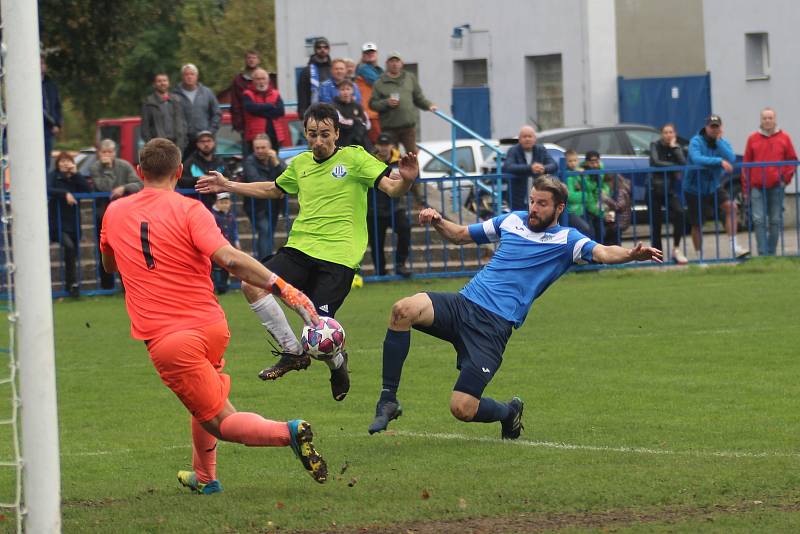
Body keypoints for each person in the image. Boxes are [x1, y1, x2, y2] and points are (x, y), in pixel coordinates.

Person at [100, 138, 327, 494]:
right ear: (178, 172)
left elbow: (109, 264)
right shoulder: (191, 210)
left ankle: (290, 431)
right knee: (204, 400)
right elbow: (231, 259)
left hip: (170, 339)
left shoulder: (114, 212)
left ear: (140, 172)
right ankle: (206, 478)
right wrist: (284, 288)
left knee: (222, 422)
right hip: (211, 326)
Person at [367, 176, 662, 437]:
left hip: (492, 328)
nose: (534, 208)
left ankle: (509, 413)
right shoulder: (511, 221)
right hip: (463, 304)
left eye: (542, 204)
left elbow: (604, 252)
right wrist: (437, 220)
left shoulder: (567, 240)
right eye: (532, 201)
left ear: (559, 208)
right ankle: (388, 399)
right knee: (402, 309)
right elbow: (460, 235)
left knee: (462, 408)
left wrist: (630, 255)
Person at [195, 103, 420, 402]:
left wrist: (406, 179)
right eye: (312, 134)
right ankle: (291, 352)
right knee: (250, 284)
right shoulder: (300, 164)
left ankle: (338, 365)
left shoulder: (354, 158)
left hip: (338, 258)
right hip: (300, 249)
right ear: (305, 134)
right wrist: (228, 185)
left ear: (337, 133)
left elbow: (392, 189)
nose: (318, 141)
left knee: (318, 332)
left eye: (325, 134)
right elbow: (273, 189)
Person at [686, 115, 749, 258]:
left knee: (731, 207)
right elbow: (697, 159)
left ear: (721, 128)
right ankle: (699, 256)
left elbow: (731, 157)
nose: (714, 129)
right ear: (706, 127)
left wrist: (719, 141)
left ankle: (734, 246)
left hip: (713, 186)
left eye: (717, 126)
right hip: (694, 188)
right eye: (711, 126)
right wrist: (719, 161)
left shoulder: (721, 141)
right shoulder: (696, 141)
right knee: (697, 224)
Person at [742, 108, 797, 256]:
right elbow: (746, 164)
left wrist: (785, 179)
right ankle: (762, 253)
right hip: (756, 186)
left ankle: (771, 253)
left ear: (775, 119)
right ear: (760, 120)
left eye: (770, 118)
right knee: (758, 220)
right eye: (764, 118)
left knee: (775, 220)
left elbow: (792, 160)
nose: (767, 121)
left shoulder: (784, 138)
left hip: (776, 186)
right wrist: (746, 188)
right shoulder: (752, 139)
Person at [89, 139, 144, 289]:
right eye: (104, 152)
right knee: (105, 249)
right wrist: (107, 169)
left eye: (110, 152)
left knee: (127, 249)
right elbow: (104, 187)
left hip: (124, 214)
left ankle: (128, 286)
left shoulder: (124, 165)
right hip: (103, 213)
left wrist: (124, 188)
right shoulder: (95, 167)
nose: (107, 155)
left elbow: (139, 183)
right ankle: (107, 287)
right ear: (99, 153)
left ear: (115, 152)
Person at [369, 51, 437, 156]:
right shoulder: (380, 82)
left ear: (402, 63)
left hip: (408, 126)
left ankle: (414, 173)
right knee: (392, 156)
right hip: (389, 128)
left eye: (397, 61)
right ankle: (394, 173)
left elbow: (418, 97)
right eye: (392, 61)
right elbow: (372, 104)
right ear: (387, 64)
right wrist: (386, 102)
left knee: (412, 155)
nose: (394, 64)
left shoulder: (409, 78)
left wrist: (429, 105)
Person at [47, 152, 92, 298]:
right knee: (69, 247)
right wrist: (65, 193)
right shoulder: (53, 175)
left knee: (74, 252)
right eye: (63, 161)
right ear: (58, 163)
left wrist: (76, 173)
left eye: (68, 161)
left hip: (73, 222)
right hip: (57, 223)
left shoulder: (75, 177)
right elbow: (47, 188)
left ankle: (71, 286)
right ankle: (72, 284)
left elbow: (87, 190)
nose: (65, 164)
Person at [367, 133, 411, 277]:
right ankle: (380, 271)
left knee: (405, 229)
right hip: (373, 209)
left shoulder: (400, 160)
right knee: (376, 242)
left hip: (395, 207)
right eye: (381, 145)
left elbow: (411, 178)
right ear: (376, 145)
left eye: (387, 145)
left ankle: (400, 264)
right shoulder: (368, 160)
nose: (384, 148)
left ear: (392, 146)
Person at [649, 124, 689, 264]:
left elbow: (683, 163)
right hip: (654, 189)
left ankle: (676, 249)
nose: (668, 135)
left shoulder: (675, 147)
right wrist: (673, 165)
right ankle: (657, 256)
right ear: (661, 134)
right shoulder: (654, 145)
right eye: (665, 132)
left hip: (669, 189)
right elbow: (655, 162)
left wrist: (675, 148)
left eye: (671, 132)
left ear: (675, 134)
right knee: (656, 223)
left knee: (679, 212)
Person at [243, 134, 286, 259]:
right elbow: (254, 179)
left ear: (270, 147)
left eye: (263, 147)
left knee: (269, 232)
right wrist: (276, 186)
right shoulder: (250, 161)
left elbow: (287, 176)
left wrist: (277, 163)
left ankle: (266, 261)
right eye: (257, 148)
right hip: (256, 205)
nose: (260, 151)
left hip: (274, 204)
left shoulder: (275, 159)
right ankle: (265, 264)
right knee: (265, 230)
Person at [174, 64, 222, 159]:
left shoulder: (207, 93)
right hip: (184, 142)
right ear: (182, 76)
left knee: (208, 170)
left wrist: (209, 133)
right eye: (186, 74)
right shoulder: (175, 95)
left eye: (192, 74)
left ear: (197, 76)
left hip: (205, 141)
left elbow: (217, 114)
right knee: (186, 170)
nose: (189, 76)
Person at [504, 126, 557, 211]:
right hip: (518, 197)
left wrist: (544, 168)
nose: (527, 139)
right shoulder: (513, 150)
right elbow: (508, 167)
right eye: (524, 137)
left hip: (539, 195)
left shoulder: (541, 149)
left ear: (535, 139)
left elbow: (553, 165)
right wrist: (530, 168)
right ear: (519, 139)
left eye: (530, 136)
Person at [241, 68, 287, 156]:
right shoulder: (247, 94)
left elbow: (280, 111)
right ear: (253, 80)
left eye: (263, 78)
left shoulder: (275, 93)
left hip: (274, 135)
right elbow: (251, 109)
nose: (261, 81)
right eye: (258, 79)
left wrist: (260, 110)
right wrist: (269, 106)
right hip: (255, 136)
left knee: (274, 160)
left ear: (268, 80)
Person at [179, 130, 226, 210]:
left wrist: (224, 180)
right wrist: (199, 179)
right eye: (202, 141)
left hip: (219, 209)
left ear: (214, 143)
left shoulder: (219, 161)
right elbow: (181, 180)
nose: (206, 144)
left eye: (209, 141)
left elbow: (229, 177)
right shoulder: (190, 162)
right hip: (197, 207)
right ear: (197, 144)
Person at [141, 73, 187, 151]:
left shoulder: (177, 100)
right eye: (159, 81)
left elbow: (183, 124)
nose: (162, 83)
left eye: (164, 81)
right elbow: (145, 129)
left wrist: (182, 144)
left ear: (168, 83)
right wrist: (151, 146)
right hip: (158, 147)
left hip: (176, 146)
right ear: (154, 84)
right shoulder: (149, 102)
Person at [563, 149, 596, 238]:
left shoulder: (578, 173)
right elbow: (570, 196)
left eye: (575, 160)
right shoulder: (567, 176)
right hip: (571, 211)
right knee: (585, 229)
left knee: (590, 230)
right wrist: (584, 195)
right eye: (570, 161)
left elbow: (589, 188)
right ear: (565, 162)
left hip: (581, 210)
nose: (573, 163)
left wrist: (583, 177)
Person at [210, 192, 239, 294]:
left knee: (227, 266)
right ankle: (218, 286)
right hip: (217, 245)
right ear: (217, 203)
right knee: (217, 267)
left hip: (228, 244)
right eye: (222, 203)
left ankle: (225, 285)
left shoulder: (230, 216)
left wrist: (236, 242)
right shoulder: (213, 215)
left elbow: (234, 230)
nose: (224, 205)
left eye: (226, 203)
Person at [355, 42, 383, 144]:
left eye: (372, 52)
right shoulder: (363, 68)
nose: (370, 54)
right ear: (363, 55)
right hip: (370, 113)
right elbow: (380, 84)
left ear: (376, 54)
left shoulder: (378, 69)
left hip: (376, 113)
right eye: (367, 53)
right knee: (379, 144)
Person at [296, 37, 332, 118]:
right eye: (319, 47)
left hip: (332, 113)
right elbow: (302, 95)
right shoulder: (306, 71)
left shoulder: (334, 69)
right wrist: (302, 114)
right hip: (313, 115)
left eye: (325, 47)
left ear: (329, 49)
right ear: (315, 50)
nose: (322, 49)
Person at [332, 79, 371, 150]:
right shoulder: (334, 107)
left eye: (348, 89)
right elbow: (341, 122)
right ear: (338, 91)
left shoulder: (358, 106)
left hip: (359, 141)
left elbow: (367, 124)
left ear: (352, 91)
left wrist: (357, 123)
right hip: (342, 141)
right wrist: (356, 121)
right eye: (342, 89)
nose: (345, 92)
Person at [230, 50, 261, 137]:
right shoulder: (238, 80)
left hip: (263, 122)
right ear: (245, 60)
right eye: (249, 58)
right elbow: (235, 103)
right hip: (245, 124)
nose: (251, 60)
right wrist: (238, 123)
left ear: (258, 60)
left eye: (254, 58)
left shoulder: (265, 77)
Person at [41, 55, 62, 174]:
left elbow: (58, 106)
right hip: (38, 126)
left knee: (46, 161)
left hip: (49, 130)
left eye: (42, 63)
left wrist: (58, 124)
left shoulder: (51, 85)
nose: (41, 66)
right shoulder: (29, 85)